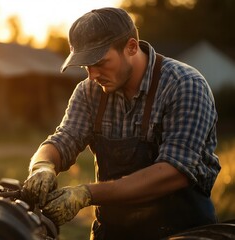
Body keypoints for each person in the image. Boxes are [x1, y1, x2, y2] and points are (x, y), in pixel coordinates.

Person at [22, 7, 221, 240]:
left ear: (131, 47)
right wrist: (43, 166)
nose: (92, 75)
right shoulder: (89, 92)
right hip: (114, 232)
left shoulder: (185, 85)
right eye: (86, 65)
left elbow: (173, 171)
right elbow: (63, 139)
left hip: (183, 232)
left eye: (100, 62)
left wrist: (86, 193)